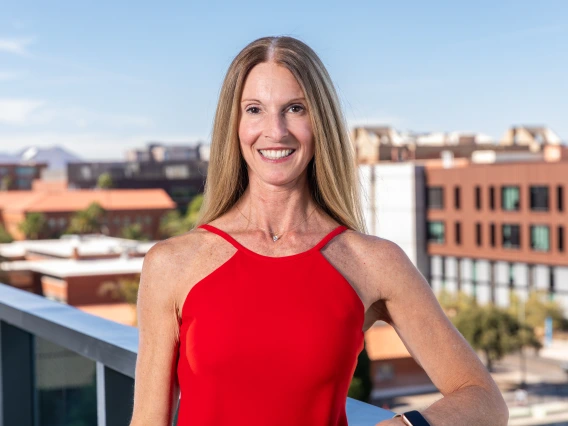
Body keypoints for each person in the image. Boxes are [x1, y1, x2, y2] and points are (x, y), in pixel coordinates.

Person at [129, 36, 509, 426]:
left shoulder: (372, 262)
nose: (275, 131)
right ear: (235, 124)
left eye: (295, 108)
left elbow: (485, 401)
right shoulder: (172, 264)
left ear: (320, 120)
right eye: (254, 109)